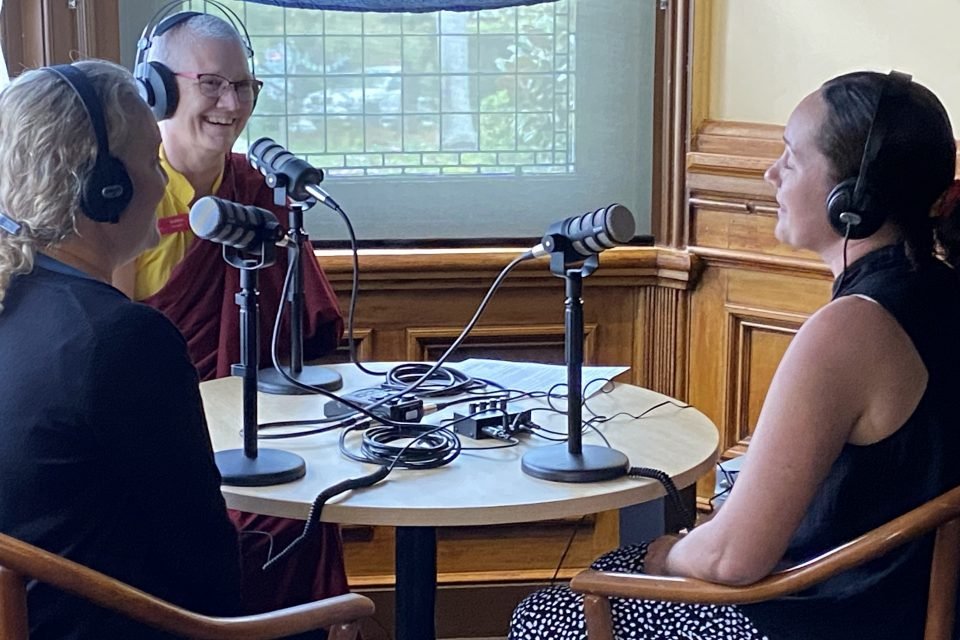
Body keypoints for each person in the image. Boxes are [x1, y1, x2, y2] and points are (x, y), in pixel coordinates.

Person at [509, 70, 960, 640]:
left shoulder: (852, 329)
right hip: (916, 610)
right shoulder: (941, 290)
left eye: (791, 159)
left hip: (832, 619)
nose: (771, 173)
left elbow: (732, 561)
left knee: (556, 609)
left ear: (852, 203)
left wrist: (666, 552)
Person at [112, 11, 351, 614]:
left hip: (260, 430)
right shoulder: (124, 194)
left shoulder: (261, 189)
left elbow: (305, 338)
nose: (231, 103)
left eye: (243, 86)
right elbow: (109, 345)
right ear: (156, 88)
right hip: (157, 439)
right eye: (211, 83)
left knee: (307, 511)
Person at [0, 60, 242, 638]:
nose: (161, 183)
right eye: (149, 160)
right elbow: (208, 574)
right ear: (105, 188)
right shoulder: (119, 341)